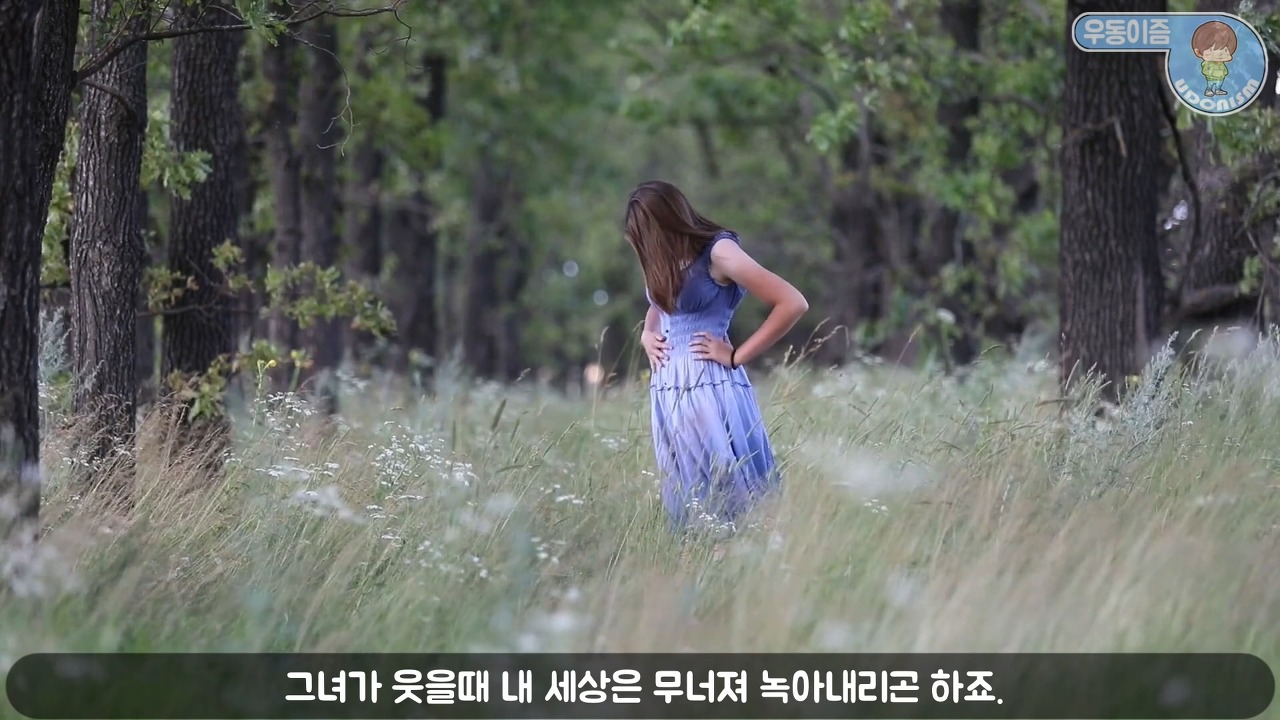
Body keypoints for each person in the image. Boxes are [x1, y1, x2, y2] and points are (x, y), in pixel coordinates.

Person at [624, 180, 808, 536]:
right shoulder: (667, 258)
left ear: (667, 221)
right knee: (690, 501)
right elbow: (661, 304)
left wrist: (737, 355)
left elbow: (792, 302)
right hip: (669, 393)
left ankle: (743, 559)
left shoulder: (720, 252)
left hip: (709, 386)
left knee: (727, 492)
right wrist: (647, 333)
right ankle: (704, 565)